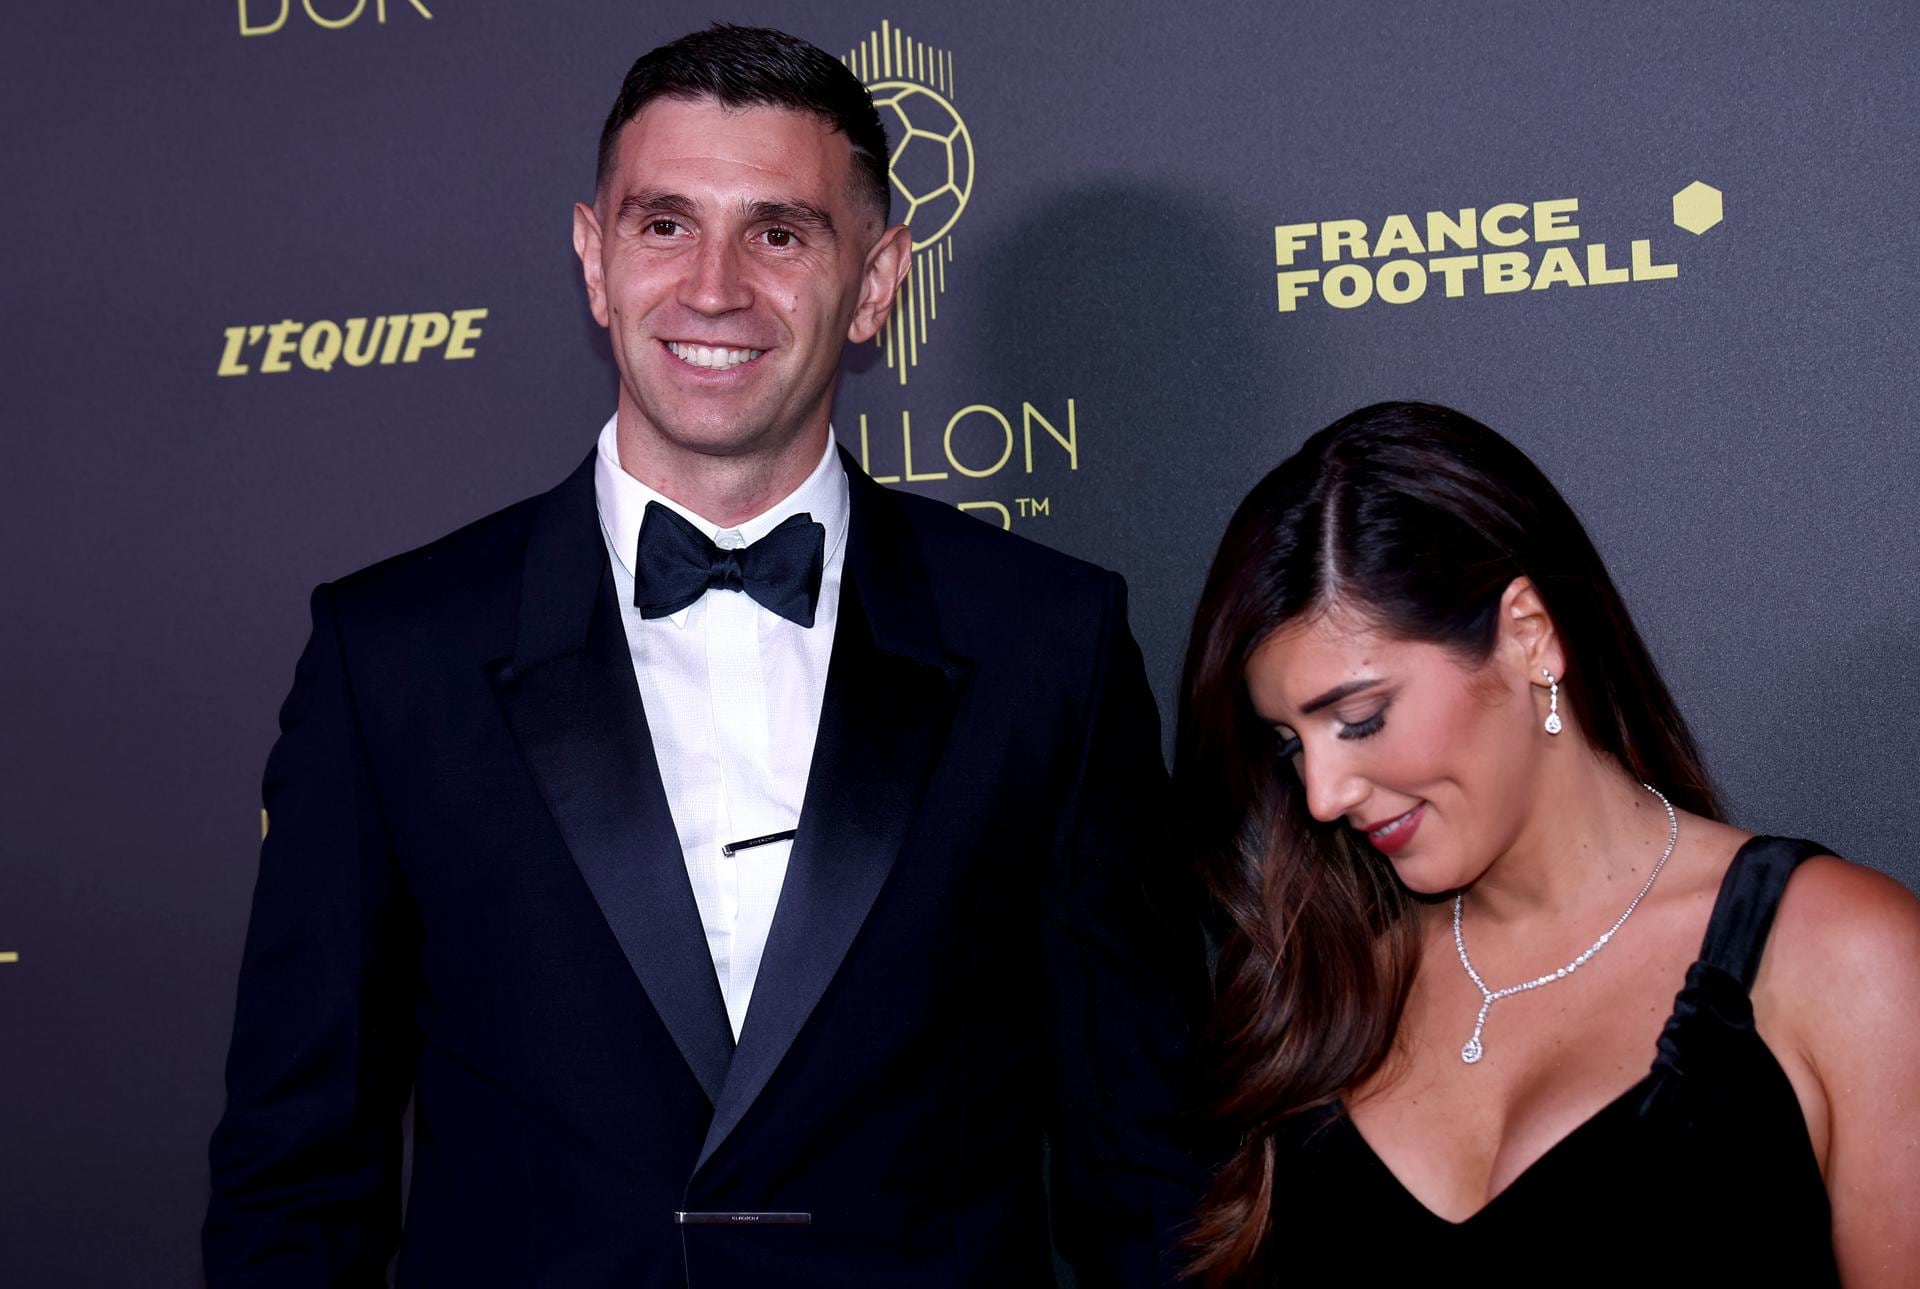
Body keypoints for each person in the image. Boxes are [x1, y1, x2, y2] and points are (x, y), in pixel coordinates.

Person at [203, 25, 1207, 1288]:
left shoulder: (1044, 642)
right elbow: (296, 1183)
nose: (714, 288)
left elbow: (1146, 1171)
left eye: (780, 232)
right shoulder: (392, 653)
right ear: (594, 260)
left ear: (880, 278)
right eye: (664, 224)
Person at [1174, 402, 1920, 1285]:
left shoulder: (1844, 958)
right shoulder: (1332, 983)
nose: (1324, 794)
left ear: (1529, 634)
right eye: (1291, 743)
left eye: (1362, 718)